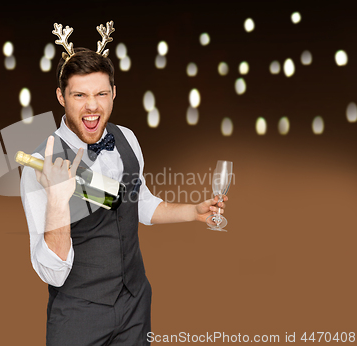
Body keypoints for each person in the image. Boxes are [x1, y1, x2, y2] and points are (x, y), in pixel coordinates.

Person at [20, 21, 228, 346]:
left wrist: (194, 211)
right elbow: (53, 273)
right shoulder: (41, 164)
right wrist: (59, 202)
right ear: (61, 97)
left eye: (101, 93)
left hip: (135, 304)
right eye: (80, 95)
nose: (92, 105)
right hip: (79, 314)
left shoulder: (126, 138)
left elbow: (140, 202)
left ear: (114, 94)